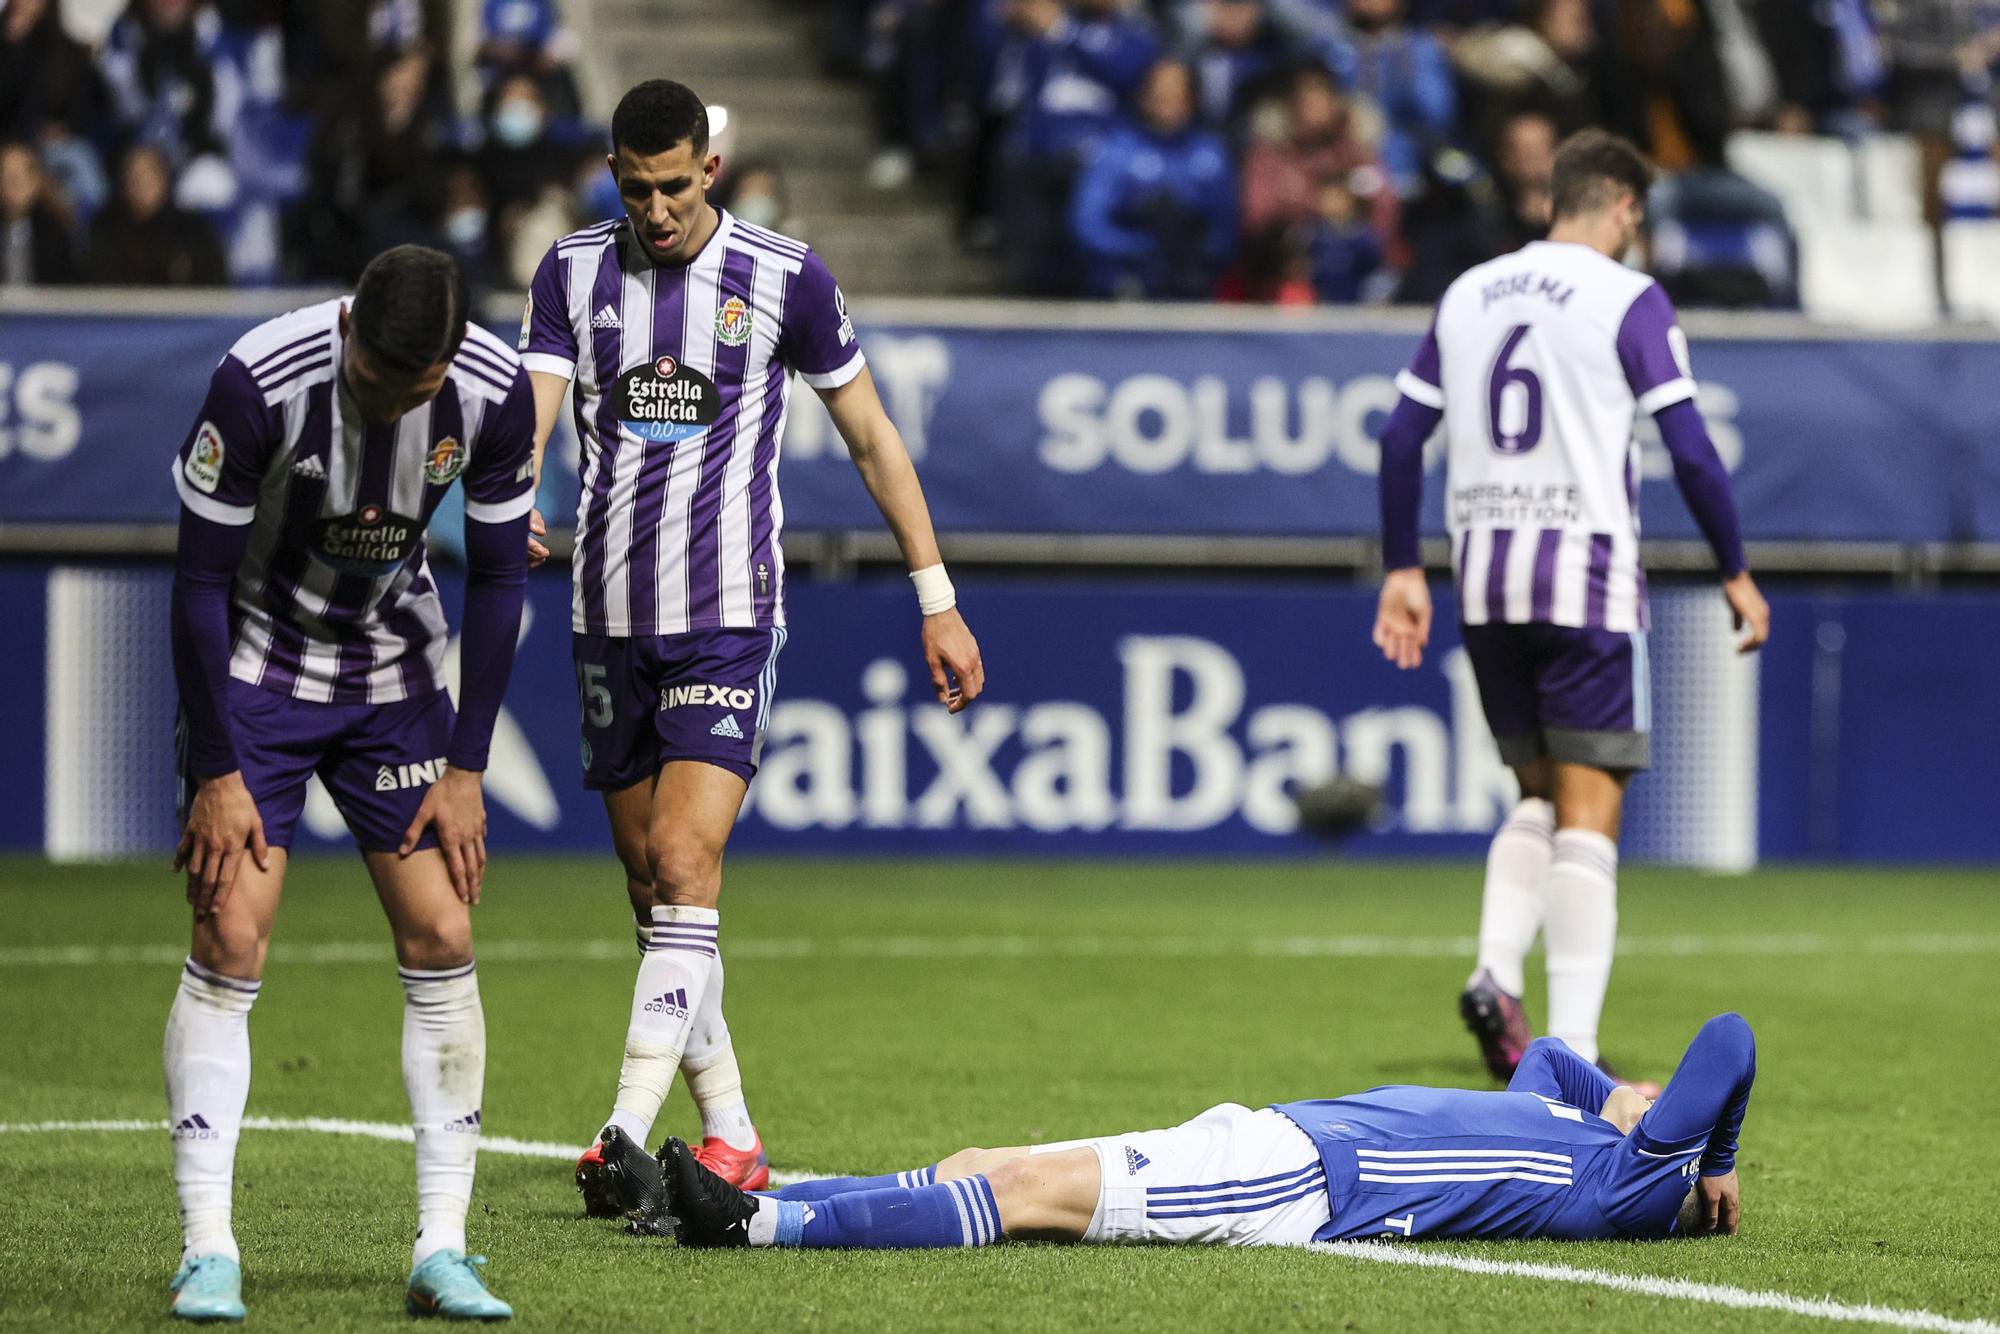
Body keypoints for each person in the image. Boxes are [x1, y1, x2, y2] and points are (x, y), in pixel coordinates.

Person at [515, 80, 984, 1213]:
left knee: (683, 864)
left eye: (675, 186)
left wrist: (936, 595)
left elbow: (870, 437)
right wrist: (511, 490)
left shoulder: (785, 276)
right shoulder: (570, 273)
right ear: (614, 179)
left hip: (726, 615)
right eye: (637, 190)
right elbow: (526, 411)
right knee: (653, 894)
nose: (658, 210)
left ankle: (619, 1129)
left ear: (707, 171)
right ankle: (730, 1134)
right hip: (606, 618)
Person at [164, 245, 530, 1322]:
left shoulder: (493, 393)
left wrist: (466, 766)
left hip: (394, 672)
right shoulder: (257, 381)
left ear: (448, 363)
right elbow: (193, 580)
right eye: (370, 377)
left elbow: (502, 576)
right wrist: (216, 766)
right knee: (231, 931)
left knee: (443, 931)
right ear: (348, 333)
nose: (384, 400)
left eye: (408, 390)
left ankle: (442, 1249)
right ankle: (206, 1247)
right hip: (255, 667)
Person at [1371, 130, 1769, 1088]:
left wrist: (1399, 569)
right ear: (1625, 206)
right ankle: (1577, 1060)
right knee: (1591, 816)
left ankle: (1496, 971)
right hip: (1584, 575)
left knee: (1540, 798)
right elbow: (1692, 449)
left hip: (1486, 576)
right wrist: (1736, 568)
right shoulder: (1629, 298)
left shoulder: (1470, 290)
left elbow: (1399, 438)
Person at [598, 1012, 1755, 1251]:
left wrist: (1717, 1161)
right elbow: (1551, 1052)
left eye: (1665, 1101)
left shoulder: (1633, 1181)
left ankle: (756, 1226)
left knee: (1026, 1188)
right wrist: (1606, 1088)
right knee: (980, 1163)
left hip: (1306, 1186)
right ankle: (710, 1197)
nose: (1645, 1086)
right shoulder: (1576, 1115)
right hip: (1279, 1135)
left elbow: (1730, 1036)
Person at [1068, 57, 1235, 299]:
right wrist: (1141, 246)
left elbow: (1225, 229)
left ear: (1193, 99)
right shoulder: (1116, 151)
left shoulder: (1210, 154)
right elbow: (1087, 225)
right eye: (1160, 92)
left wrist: (1193, 250)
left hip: (1190, 285)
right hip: (1123, 284)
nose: (1169, 100)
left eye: (1178, 93)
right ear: (1145, 96)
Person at [86, 143, 226, 285]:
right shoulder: (106, 229)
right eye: (132, 178)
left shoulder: (192, 232)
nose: (139, 186)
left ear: (164, 180)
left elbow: (216, 285)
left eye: (147, 177)